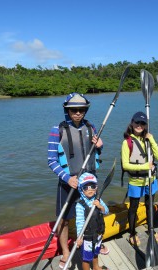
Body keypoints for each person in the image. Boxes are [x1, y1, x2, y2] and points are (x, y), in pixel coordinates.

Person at [47, 92, 105, 269]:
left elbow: (95, 153)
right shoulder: (57, 130)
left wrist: (100, 147)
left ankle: (95, 243)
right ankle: (65, 251)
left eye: (81, 109)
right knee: (64, 219)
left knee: (93, 214)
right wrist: (67, 178)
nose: (78, 113)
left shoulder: (91, 127)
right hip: (68, 183)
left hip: (89, 182)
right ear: (67, 110)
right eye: (74, 110)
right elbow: (51, 161)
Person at [121, 111, 158, 246]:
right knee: (133, 208)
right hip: (135, 181)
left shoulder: (148, 139)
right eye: (137, 122)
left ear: (145, 125)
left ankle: (151, 229)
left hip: (150, 180)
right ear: (132, 123)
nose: (139, 125)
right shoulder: (127, 142)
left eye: (142, 123)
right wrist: (145, 166)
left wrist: (152, 139)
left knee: (150, 205)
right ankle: (132, 233)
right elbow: (125, 165)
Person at [75, 172, 109, 270]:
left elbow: (106, 211)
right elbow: (79, 222)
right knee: (86, 258)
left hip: (98, 234)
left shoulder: (98, 200)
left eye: (92, 186)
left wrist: (100, 206)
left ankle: (96, 267)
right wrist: (79, 237)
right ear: (81, 189)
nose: (90, 189)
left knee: (96, 252)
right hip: (87, 237)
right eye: (86, 187)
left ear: (96, 187)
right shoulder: (80, 205)